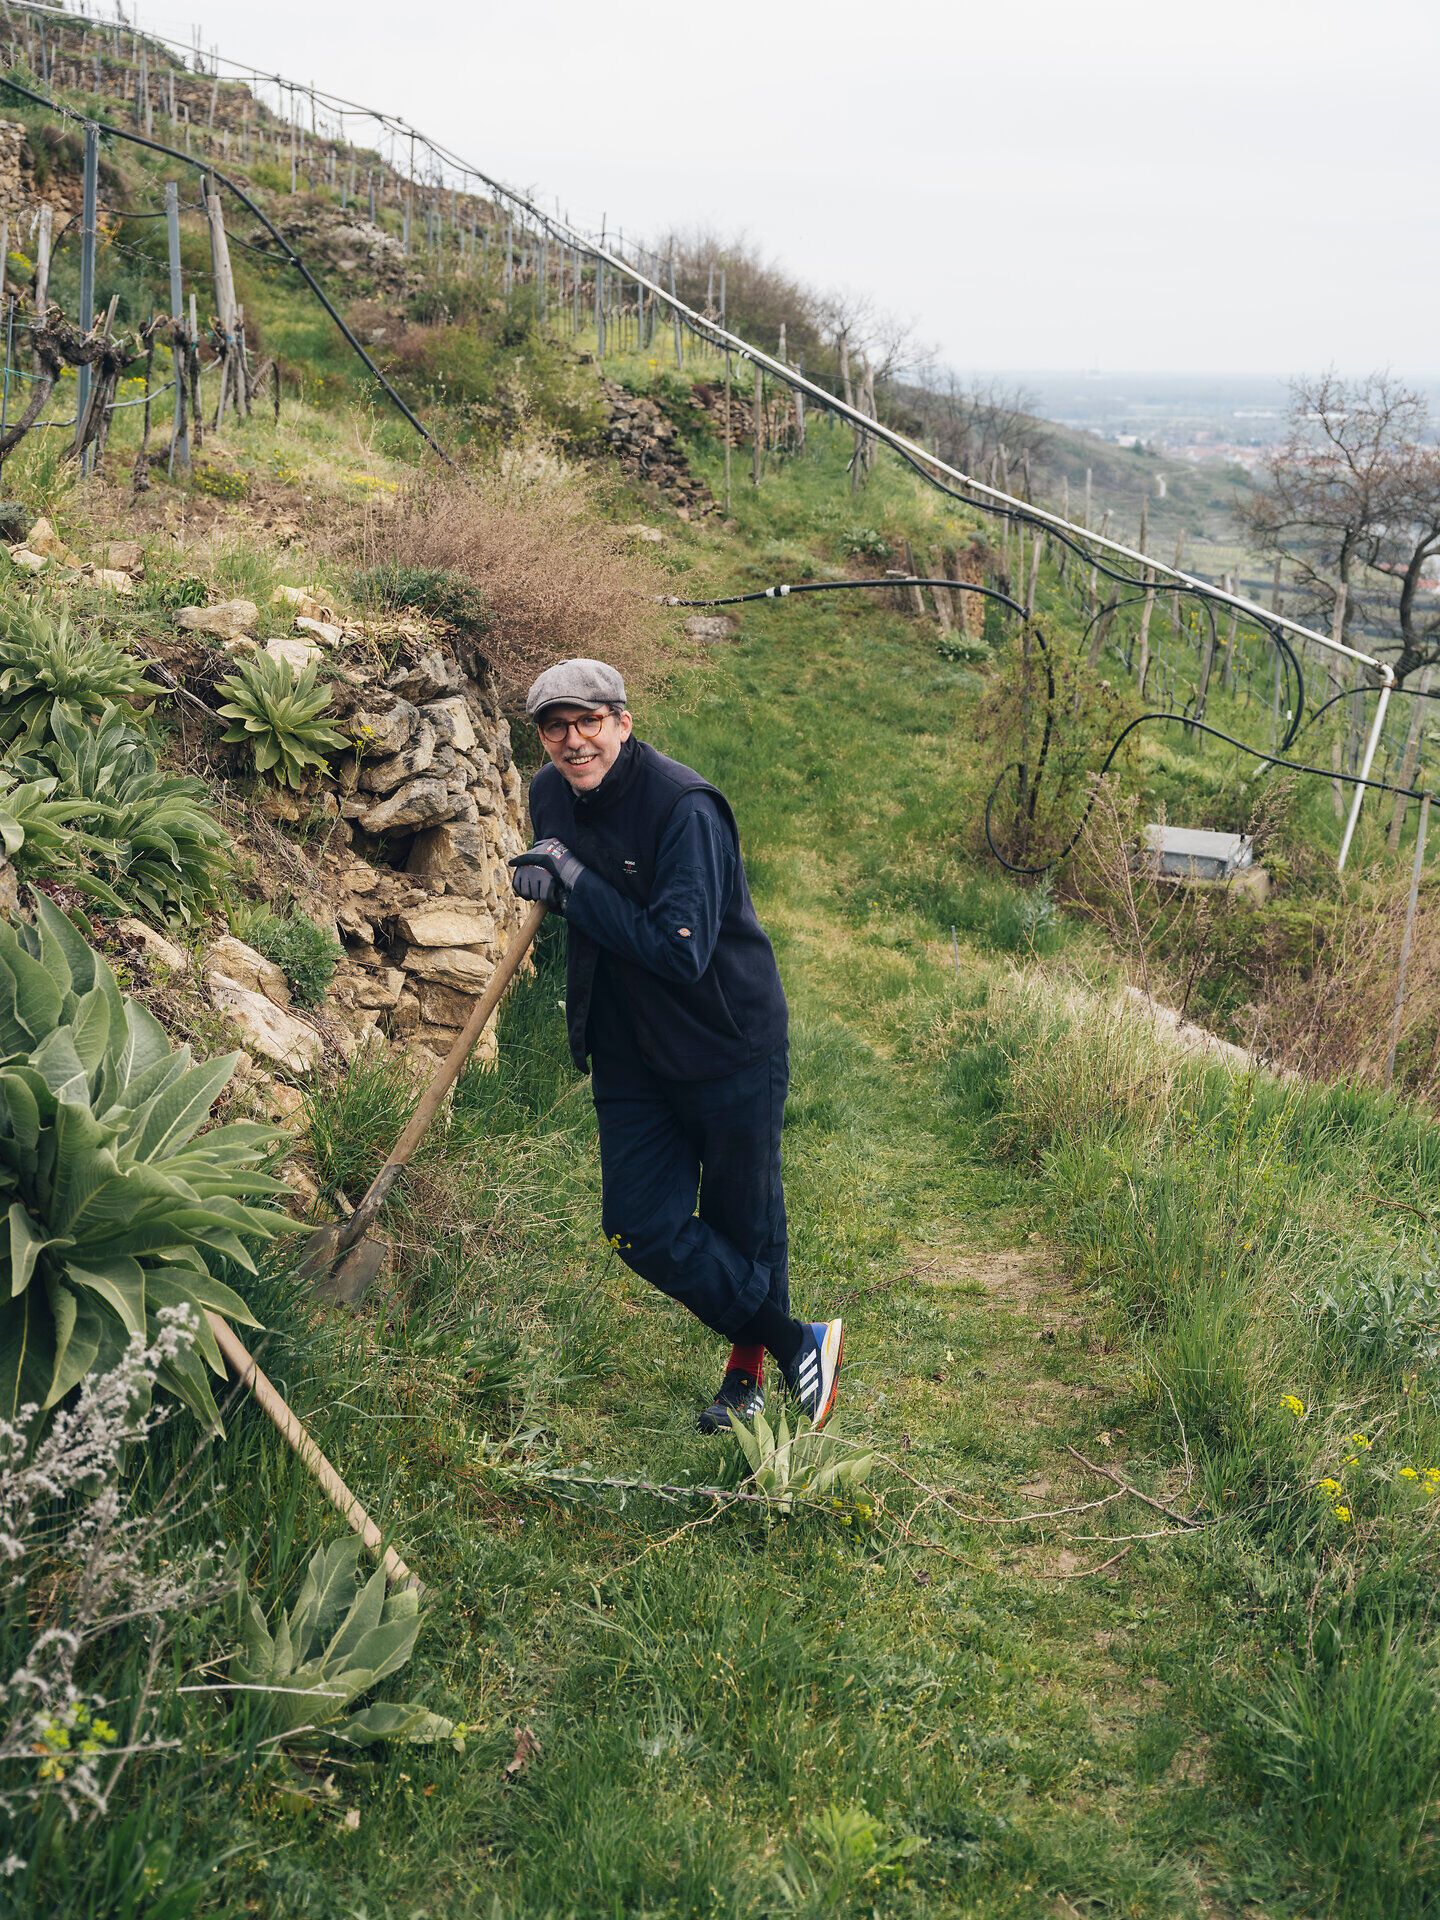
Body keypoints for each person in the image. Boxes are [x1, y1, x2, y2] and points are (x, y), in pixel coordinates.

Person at [508, 657, 844, 1434]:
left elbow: (679, 950)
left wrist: (577, 887)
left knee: (743, 1219)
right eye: (555, 727)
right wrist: (552, 889)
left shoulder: (685, 807)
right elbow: (589, 909)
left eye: (588, 721)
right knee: (637, 1223)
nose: (572, 741)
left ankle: (746, 1379)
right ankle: (801, 1343)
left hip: (725, 1040)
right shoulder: (549, 793)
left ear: (623, 723)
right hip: (628, 1047)